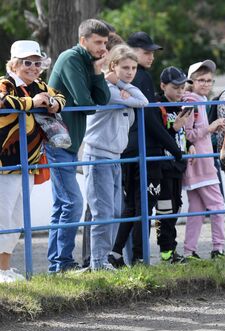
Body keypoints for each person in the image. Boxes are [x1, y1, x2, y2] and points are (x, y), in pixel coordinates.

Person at [108, 32, 183, 267]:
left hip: (130, 149)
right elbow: (149, 117)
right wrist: (174, 147)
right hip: (144, 151)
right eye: (146, 52)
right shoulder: (142, 78)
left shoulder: (134, 78)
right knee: (145, 207)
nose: (151, 57)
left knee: (134, 206)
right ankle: (140, 258)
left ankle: (117, 253)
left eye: (152, 52)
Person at [47, 19, 111, 273]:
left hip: (70, 144)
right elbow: (87, 102)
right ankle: (61, 263)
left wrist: (97, 70)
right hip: (56, 141)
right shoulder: (71, 58)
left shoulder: (89, 63)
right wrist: (95, 75)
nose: (103, 48)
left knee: (62, 204)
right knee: (72, 202)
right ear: (83, 40)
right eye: (98, 42)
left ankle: (57, 264)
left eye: (105, 43)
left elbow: (103, 99)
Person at [0, 40, 65, 282]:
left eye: (37, 63)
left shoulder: (39, 85)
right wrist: (33, 103)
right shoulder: (5, 83)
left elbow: (60, 97)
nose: (33, 67)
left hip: (28, 161)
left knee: (16, 217)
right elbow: (3, 102)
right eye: (27, 62)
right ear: (14, 64)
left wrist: (54, 103)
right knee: (3, 215)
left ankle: (5, 267)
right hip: (5, 163)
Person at [82, 45, 148, 271]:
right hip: (99, 156)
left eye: (134, 68)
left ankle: (100, 261)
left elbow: (142, 99)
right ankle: (98, 263)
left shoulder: (121, 88)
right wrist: (120, 87)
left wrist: (122, 84)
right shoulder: (107, 90)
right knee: (104, 212)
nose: (130, 72)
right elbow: (141, 102)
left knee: (115, 212)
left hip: (114, 157)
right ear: (113, 67)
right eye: (125, 68)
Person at [182, 60, 225, 259]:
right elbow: (188, 134)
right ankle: (218, 248)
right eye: (201, 80)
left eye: (209, 80)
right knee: (218, 206)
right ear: (192, 81)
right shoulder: (192, 102)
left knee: (197, 210)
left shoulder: (197, 100)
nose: (206, 84)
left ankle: (189, 251)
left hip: (200, 163)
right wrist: (211, 127)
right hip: (201, 165)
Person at [156, 66, 195, 263]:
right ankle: (166, 251)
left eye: (182, 87)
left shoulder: (182, 106)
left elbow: (182, 134)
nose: (180, 91)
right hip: (163, 166)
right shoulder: (158, 106)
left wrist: (190, 144)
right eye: (175, 87)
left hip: (178, 166)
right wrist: (174, 127)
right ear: (163, 86)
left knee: (176, 206)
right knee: (165, 209)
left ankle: (172, 249)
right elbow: (162, 135)